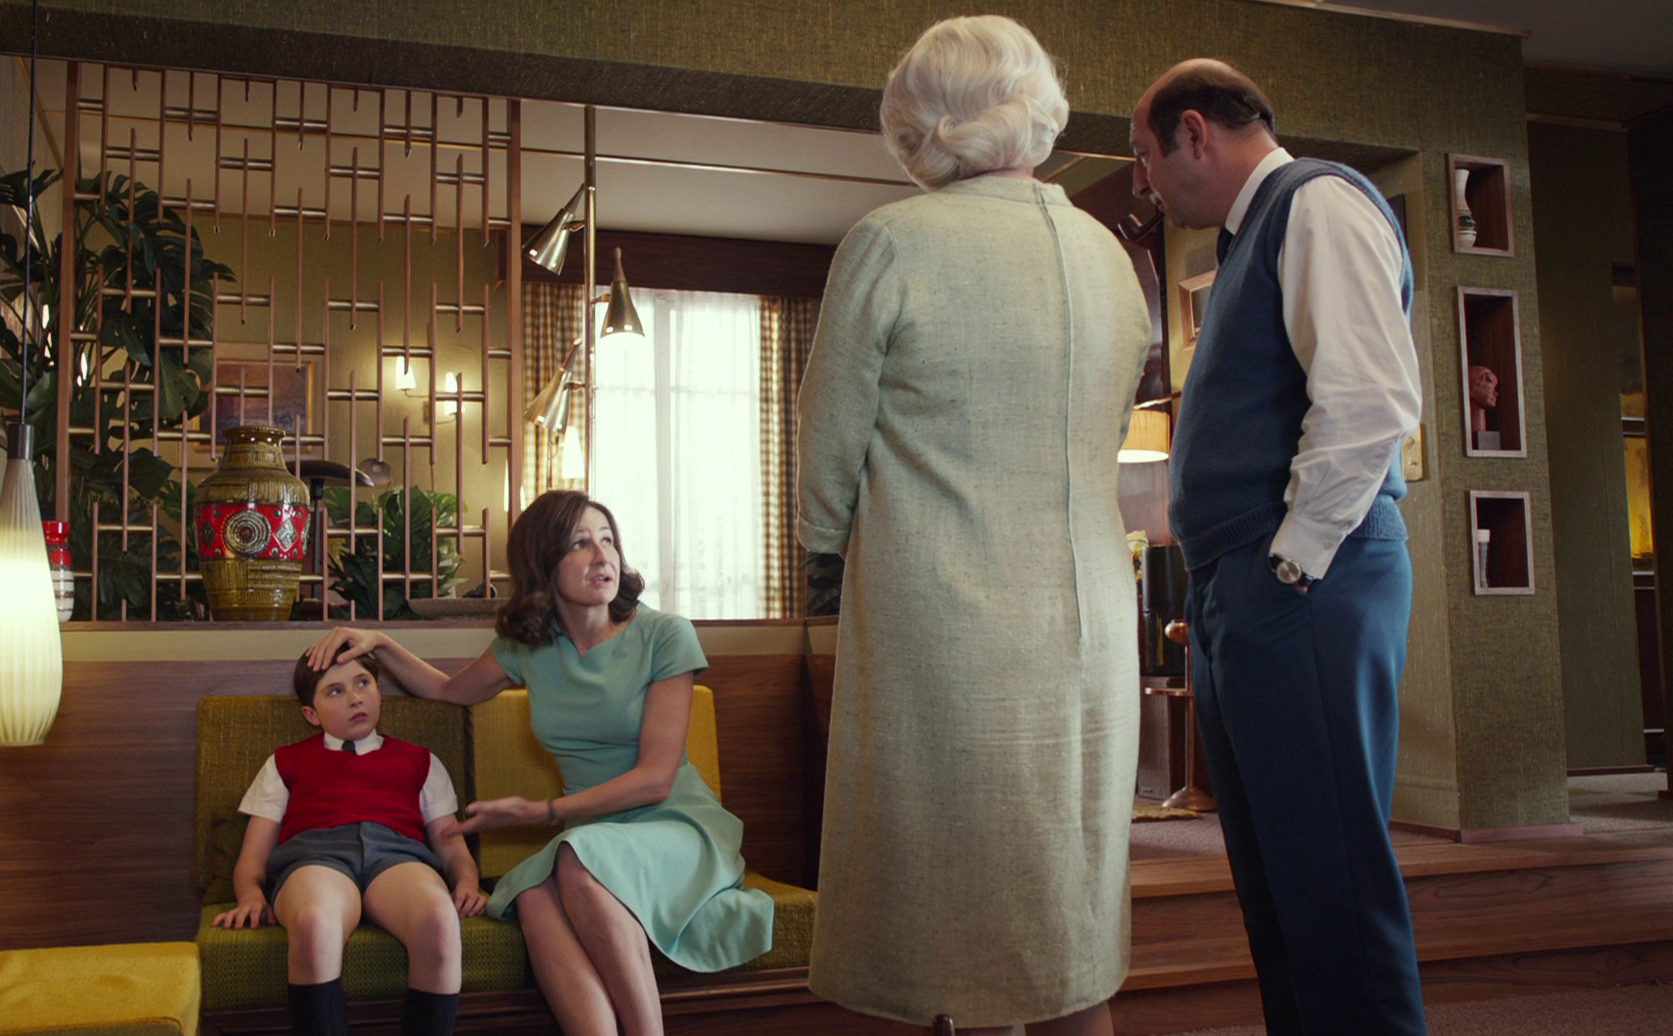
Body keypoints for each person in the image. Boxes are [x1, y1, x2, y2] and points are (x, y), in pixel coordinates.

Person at [796, 15, 1151, 1036]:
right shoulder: (1108, 256)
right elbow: (1104, 435)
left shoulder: (890, 243)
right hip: (1089, 618)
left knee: (942, 902)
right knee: (1065, 902)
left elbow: (825, 462)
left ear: (918, 124)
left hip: (943, 619)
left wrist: (827, 550)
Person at [1130, 59, 1426, 1035]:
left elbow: (1368, 401)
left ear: (1194, 132)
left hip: (1300, 580)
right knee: (1279, 891)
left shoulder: (1317, 202)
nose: (1144, 183)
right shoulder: (1250, 235)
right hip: (1245, 588)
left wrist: (1290, 565)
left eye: (1143, 156)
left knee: (1331, 882)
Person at [305, 489, 773, 1036]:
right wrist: (381, 642)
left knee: (573, 859)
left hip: (674, 825)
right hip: (594, 837)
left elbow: (654, 781)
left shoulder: (665, 634)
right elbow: (449, 690)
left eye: (608, 540)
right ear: (543, 565)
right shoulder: (528, 646)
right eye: (580, 544)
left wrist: (540, 811)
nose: (602, 557)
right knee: (531, 894)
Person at [210, 648, 487, 1036]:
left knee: (440, 921)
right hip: (314, 859)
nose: (355, 698)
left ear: (379, 691)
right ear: (311, 714)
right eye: (335, 691)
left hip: (398, 859)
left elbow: (452, 846)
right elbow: (253, 856)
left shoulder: (420, 760)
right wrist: (250, 895)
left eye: (363, 683)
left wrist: (468, 882)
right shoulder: (284, 762)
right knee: (314, 923)